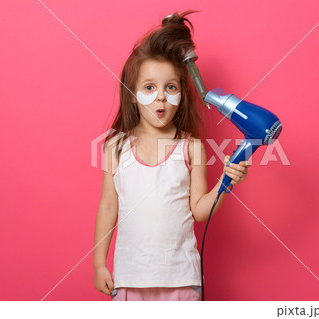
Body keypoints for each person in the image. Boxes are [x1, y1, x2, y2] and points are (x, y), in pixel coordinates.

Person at [92, 10, 251, 301]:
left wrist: (226, 182)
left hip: (181, 281)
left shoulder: (192, 148)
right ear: (132, 94)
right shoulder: (115, 146)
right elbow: (107, 207)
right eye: (149, 88)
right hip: (129, 279)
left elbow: (199, 210)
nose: (161, 97)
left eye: (171, 87)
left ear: (182, 93)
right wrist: (98, 262)